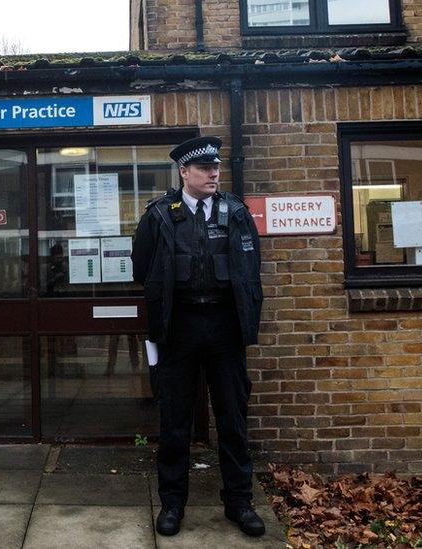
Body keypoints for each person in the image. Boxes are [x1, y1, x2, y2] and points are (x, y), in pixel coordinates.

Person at [131, 136, 265, 537]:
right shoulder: (159, 215)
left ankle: (239, 503)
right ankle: (172, 504)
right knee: (175, 420)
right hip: (180, 328)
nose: (213, 173)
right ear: (184, 172)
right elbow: (142, 267)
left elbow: (250, 265)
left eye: (216, 167)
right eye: (204, 168)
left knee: (232, 419)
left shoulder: (236, 211)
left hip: (224, 328)